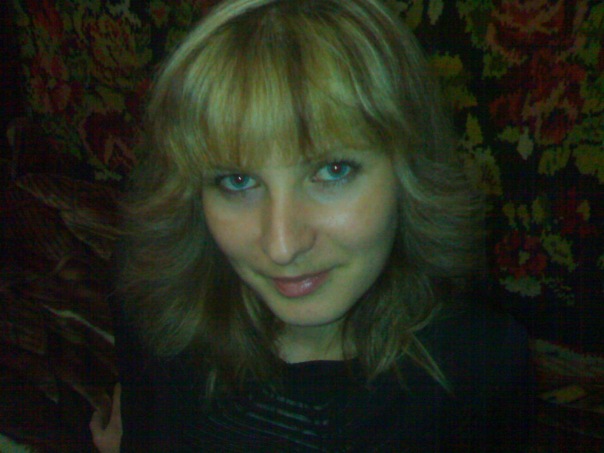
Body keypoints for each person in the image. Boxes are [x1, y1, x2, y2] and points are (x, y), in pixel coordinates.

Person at [90, 0, 534, 451]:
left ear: (410, 172)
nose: (282, 246)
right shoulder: (149, 295)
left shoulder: (484, 365)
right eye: (237, 180)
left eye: (333, 171)